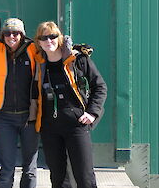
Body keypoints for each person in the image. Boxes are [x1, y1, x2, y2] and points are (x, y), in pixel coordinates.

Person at [33, 21, 107, 188]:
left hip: (76, 125)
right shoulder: (38, 63)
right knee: (58, 177)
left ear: (59, 38)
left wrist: (92, 113)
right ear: (38, 41)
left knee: (84, 176)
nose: (48, 41)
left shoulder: (77, 59)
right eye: (43, 37)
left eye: (52, 36)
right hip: (50, 127)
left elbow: (100, 86)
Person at [0, 18, 39, 188]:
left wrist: (75, 52)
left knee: (29, 168)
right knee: (7, 168)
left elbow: (54, 56)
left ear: (22, 34)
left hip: (28, 117)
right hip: (5, 118)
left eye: (15, 33)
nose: (11, 36)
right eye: (7, 33)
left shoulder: (33, 50)